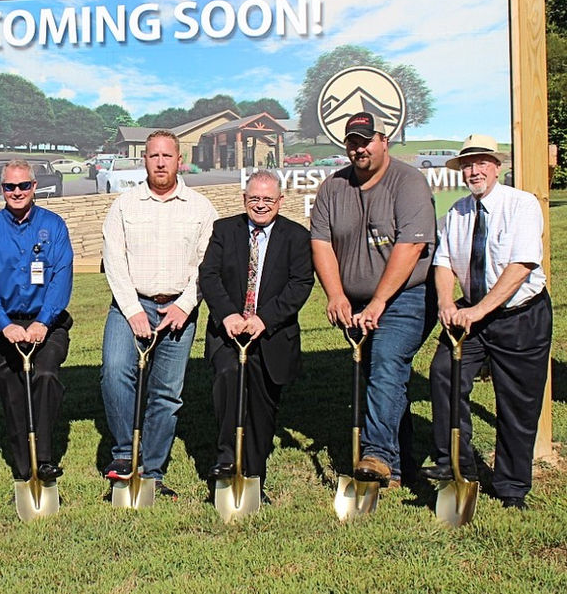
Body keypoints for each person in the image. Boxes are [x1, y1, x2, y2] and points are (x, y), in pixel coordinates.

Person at [421, 134, 552, 510]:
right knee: (444, 373)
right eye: (468, 165)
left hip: (519, 316)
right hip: (470, 313)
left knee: (518, 403)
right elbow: (443, 263)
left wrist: (479, 311)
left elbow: (521, 266)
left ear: (497, 167)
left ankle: (511, 488)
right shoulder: (457, 212)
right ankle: (456, 466)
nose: (474, 170)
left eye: (482, 163)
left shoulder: (522, 205)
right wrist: (447, 301)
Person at [310, 112, 436, 488]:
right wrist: (335, 294)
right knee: (382, 380)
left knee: (385, 364)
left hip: (407, 296)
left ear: (384, 141)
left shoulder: (408, 181)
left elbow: (411, 245)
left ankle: (378, 453)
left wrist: (379, 302)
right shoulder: (333, 188)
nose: (359, 148)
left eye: (366, 140)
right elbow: (320, 242)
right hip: (356, 301)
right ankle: (398, 468)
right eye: (352, 141)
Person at [100, 130, 218, 498]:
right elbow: (114, 260)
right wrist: (133, 310)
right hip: (130, 303)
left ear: (179, 160)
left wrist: (186, 303)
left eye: (168, 156)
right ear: (144, 160)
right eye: (154, 156)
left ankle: (152, 469)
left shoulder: (200, 208)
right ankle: (123, 457)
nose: (161, 163)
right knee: (115, 373)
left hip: (179, 308)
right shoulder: (125, 205)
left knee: (166, 392)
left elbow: (207, 264)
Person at [199, 170, 313, 500]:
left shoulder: (295, 236)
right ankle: (226, 461)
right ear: (244, 199)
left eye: (267, 199)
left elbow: (300, 284)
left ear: (280, 201)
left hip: (271, 335)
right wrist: (228, 315)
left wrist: (265, 318)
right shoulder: (224, 230)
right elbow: (209, 275)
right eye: (254, 199)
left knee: (262, 408)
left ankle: (253, 475)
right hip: (229, 332)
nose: (260, 205)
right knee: (229, 380)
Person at [0, 159, 73, 483]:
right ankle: (23, 466)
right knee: (12, 390)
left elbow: (61, 277)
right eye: (10, 187)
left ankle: (43, 459)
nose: (17, 192)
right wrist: (4, 323)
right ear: (2, 189)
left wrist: (43, 322)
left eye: (23, 185)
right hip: (7, 324)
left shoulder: (53, 226)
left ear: (34, 186)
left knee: (44, 375)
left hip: (49, 322)